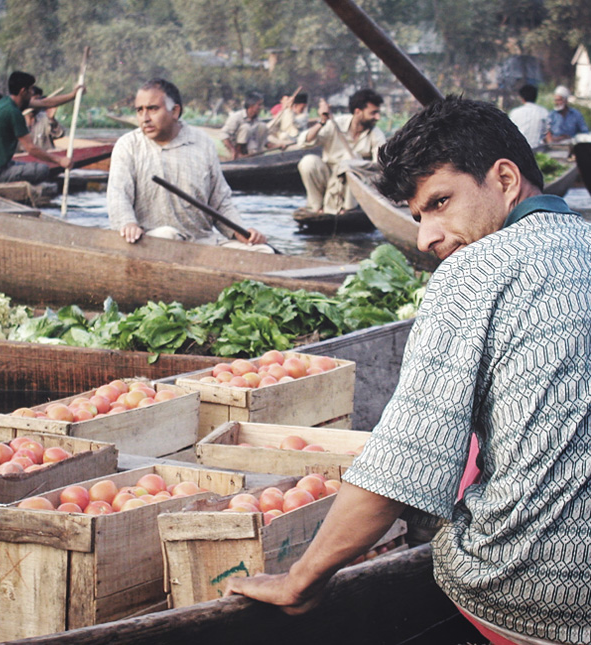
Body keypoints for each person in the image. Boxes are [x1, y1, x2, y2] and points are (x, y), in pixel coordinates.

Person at [226, 96, 591, 645]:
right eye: (419, 215)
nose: (425, 237)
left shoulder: (473, 271)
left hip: (536, 591)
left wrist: (300, 580)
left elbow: (399, 469)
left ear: (506, 179)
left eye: (440, 203)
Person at [107, 78, 271, 252]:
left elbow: (220, 201)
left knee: (264, 251)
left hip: (201, 243)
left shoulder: (203, 143)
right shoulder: (128, 145)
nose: (145, 118)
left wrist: (240, 232)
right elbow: (118, 196)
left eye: (153, 109)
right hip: (150, 242)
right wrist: (128, 224)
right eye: (140, 110)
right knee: (168, 235)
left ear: (175, 111)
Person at [0, 71, 78, 184]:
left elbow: (45, 103)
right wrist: (60, 160)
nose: (32, 93)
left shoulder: (5, 101)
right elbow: (31, 148)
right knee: (42, 170)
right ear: (23, 91)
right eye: (30, 90)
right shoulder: (13, 113)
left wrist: (72, 96)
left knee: (33, 166)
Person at [297, 88, 386, 214]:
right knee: (308, 162)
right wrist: (322, 121)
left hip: (351, 186)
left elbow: (380, 165)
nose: (377, 117)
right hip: (328, 176)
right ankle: (316, 207)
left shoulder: (376, 135)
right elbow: (303, 142)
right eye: (373, 113)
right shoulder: (336, 124)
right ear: (358, 112)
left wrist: (354, 165)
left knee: (352, 162)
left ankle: (347, 209)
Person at [221, 91, 267, 159]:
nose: (261, 107)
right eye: (259, 105)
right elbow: (223, 135)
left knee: (262, 126)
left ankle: (258, 156)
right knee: (246, 127)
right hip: (235, 150)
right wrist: (233, 150)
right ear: (251, 105)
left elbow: (266, 141)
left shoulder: (258, 120)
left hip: (251, 149)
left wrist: (279, 145)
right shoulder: (236, 117)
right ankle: (239, 155)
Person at [508, 83, 548, 149]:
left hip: (520, 151)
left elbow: (510, 134)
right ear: (536, 97)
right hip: (539, 151)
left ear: (522, 98)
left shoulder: (515, 113)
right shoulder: (543, 112)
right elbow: (546, 134)